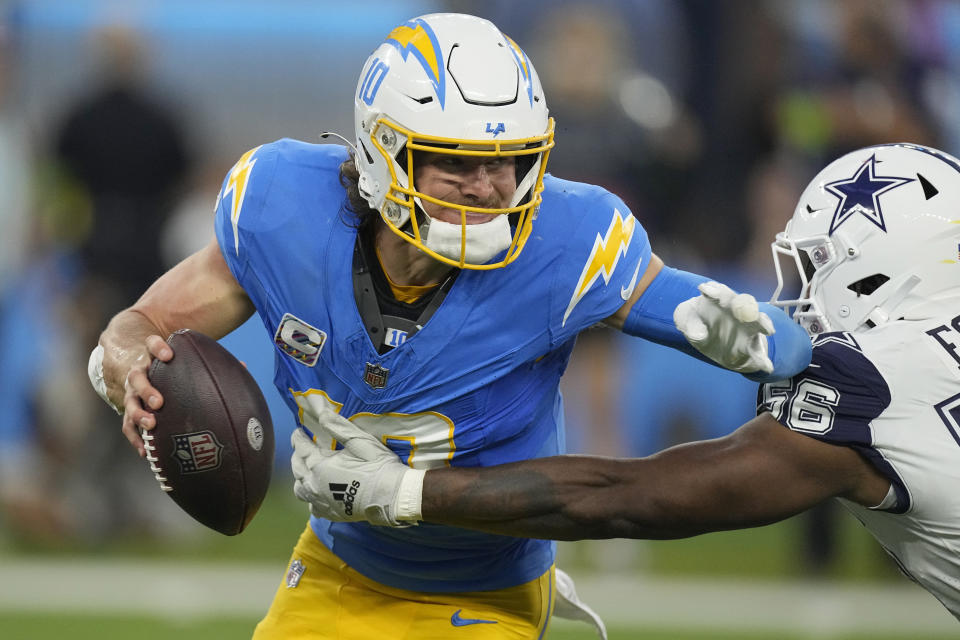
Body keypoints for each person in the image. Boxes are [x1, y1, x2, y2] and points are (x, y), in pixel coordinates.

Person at [88, 13, 811, 639]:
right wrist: (122, 357)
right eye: (458, 163)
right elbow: (144, 322)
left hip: (484, 593)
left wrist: (758, 338)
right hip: (338, 568)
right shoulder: (283, 208)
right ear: (382, 150)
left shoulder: (566, 242)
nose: (489, 189)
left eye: (509, 164)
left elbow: (759, 340)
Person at [297, 142, 960, 621]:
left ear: (882, 273)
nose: (805, 295)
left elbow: (634, 497)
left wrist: (405, 488)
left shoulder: (881, 384)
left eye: (820, 268)